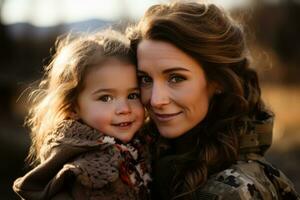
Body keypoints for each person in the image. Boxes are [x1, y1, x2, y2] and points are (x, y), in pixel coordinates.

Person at [127, 1, 300, 200]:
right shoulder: (136, 163)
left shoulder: (234, 191)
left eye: (176, 78)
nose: (156, 100)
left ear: (217, 81)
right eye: (145, 79)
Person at [13, 29, 151, 200]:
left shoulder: (144, 144)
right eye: (106, 98)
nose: (124, 108)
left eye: (133, 95)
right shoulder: (80, 170)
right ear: (72, 108)